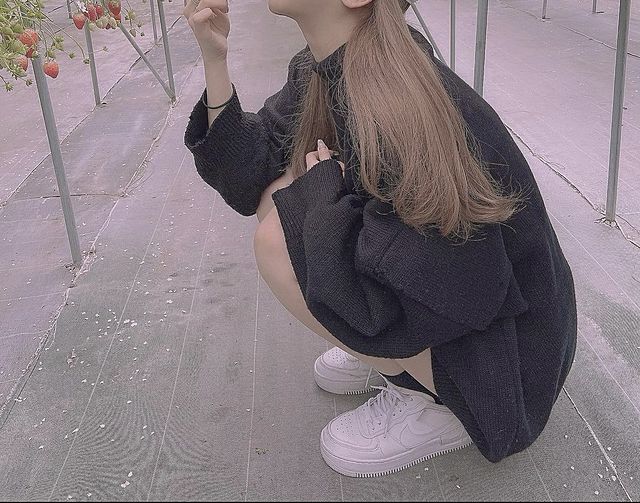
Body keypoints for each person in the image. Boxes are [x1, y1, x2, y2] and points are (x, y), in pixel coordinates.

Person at [183, 0, 578, 478]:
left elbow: (462, 284)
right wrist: (215, 60)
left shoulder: (400, 100)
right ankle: (400, 361)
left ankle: (438, 401)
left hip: (507, 369)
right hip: (465, 305)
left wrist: (324, 197)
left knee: (277, 239)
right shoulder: (324, 68)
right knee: (278, 194)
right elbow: (249, 178)